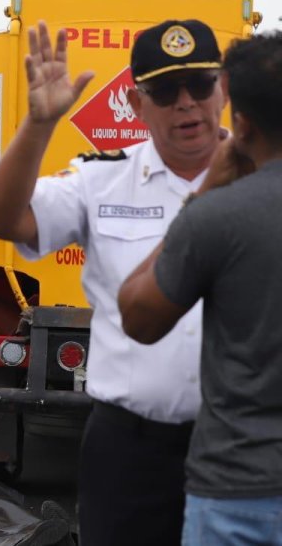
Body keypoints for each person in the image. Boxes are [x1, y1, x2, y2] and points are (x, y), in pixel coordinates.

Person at [0, 19, 226, 545]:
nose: (186, 103)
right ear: (137, 107)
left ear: (222, 89)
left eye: (200, 85)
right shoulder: (101, 178)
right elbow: (4, 219)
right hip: (130, 447)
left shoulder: (262, 178)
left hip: (242, 445)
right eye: (164, 90)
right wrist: (40, 124)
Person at [118, 31, 282, 546]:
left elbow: (138, 316)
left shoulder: (216, 217)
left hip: (238, 493)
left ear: (239, 116)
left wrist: (202, 198)